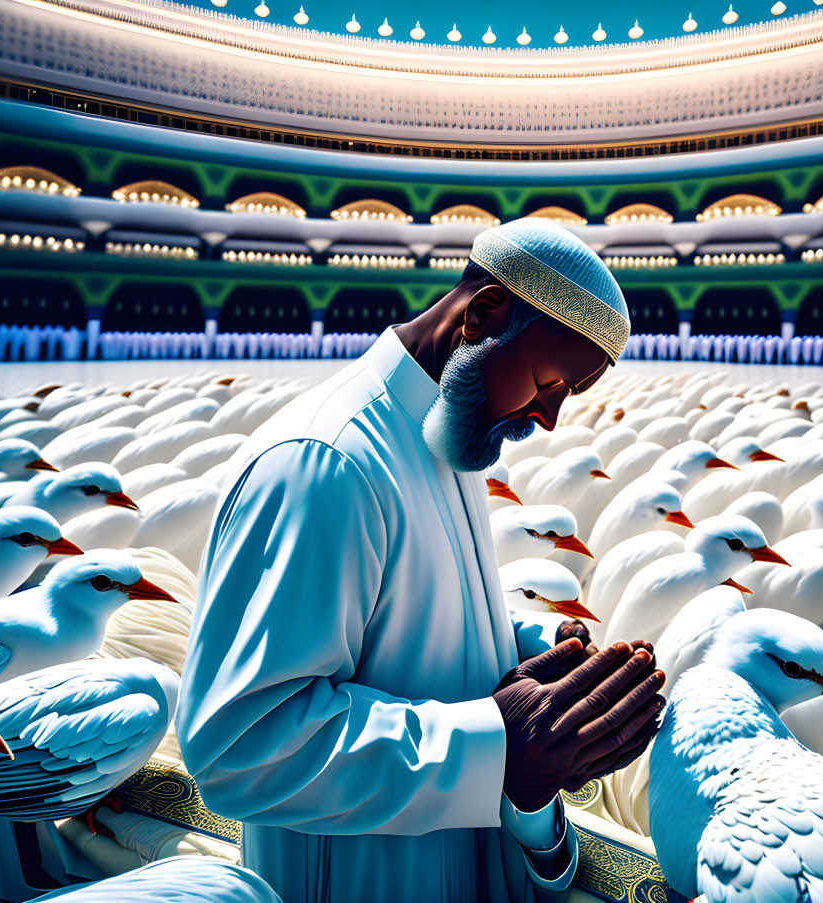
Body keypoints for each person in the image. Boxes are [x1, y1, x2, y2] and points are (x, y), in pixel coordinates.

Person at [178, 218, 665, 902]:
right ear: (484, 315)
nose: (550, 418)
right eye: (548, 379)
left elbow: (407, 630)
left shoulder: (446, 432)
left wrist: (535, 659)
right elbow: (240, 746)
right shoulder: (326, 462)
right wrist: (498, 744)